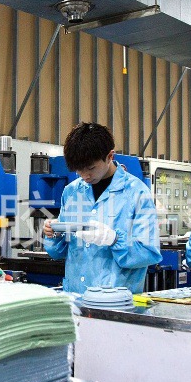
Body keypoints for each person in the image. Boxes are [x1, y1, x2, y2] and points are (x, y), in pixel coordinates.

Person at [42, 122, 161, 294]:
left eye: (90, 168)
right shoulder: (72, 192)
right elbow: (58, 252)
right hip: (75, 298)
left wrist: (114, 239)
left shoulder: (137, 193)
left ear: (110, 156)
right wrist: (54, 234)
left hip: (116, 302)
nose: (85, 176)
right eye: (79, 170)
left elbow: (149, 253)